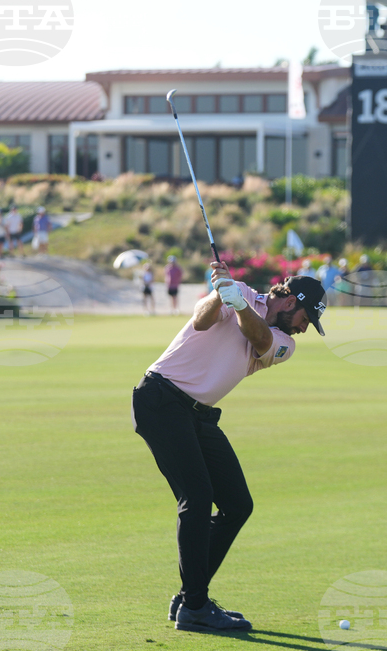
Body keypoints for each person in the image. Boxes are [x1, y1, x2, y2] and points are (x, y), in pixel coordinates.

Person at [131, 264, 326, 633]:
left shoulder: (284, 343)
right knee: (197, 496)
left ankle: (190, 597)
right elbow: (201, 321)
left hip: (198, 415)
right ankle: (195, 606)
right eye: (306, 319)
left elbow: (260, 339)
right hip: (160, 399)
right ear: (290, 302)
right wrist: (222, 293)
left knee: (237, 504)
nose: (304, 328)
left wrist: (238, 305)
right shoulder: (238, 291)